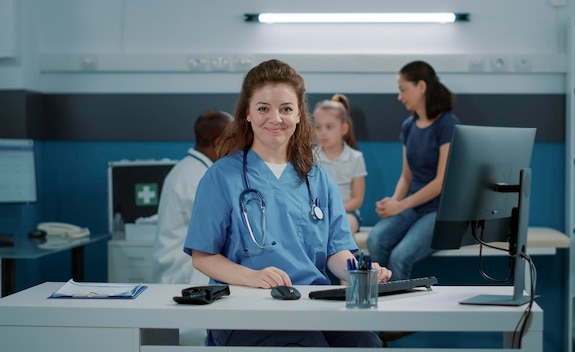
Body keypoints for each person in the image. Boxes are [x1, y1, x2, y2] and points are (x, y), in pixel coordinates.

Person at [183, 59, 391, 348]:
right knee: (309, 345)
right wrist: (252, 276)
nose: (275, 118)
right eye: (263, 108)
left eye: (286, 109)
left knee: (365, 343)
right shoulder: (222, 176)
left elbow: (336, 250)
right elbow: (202, 256)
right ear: (247, 113)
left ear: (298, 116)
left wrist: (360, 272)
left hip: (313, 304)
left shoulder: (317, 177)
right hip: (247, 309)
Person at [366, 60, 461, 281]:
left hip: (441, 212)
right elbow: (406, 176)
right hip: (415, 206)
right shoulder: (408, 126)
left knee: (400, 257)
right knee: (376, 239)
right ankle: (377, 296)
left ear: (421, 86)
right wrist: (393, 203)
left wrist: (401, 205)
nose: (399, 97)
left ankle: (398, 309)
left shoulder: (447, 124)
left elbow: (440, 182)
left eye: (402, 89)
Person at [152, 110, 233, 285]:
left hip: (182, 272)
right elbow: (217, 233)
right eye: (234, 141)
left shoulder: (187, 168)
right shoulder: (198, 177)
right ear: (218, 143)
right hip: (187, 275)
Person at [312, 94, 367, 236]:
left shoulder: (355, 158)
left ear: (344, 129)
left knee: (343, 228)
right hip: (318, 212)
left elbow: (357, 199)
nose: (323, 132)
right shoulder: (311, 158)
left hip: (347, 213)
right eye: (318, 127)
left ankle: (346, 258)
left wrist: (335, 209)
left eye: (329, 127)